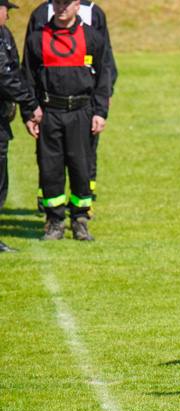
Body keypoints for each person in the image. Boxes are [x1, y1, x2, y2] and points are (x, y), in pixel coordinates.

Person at [23, 0, 110, 241]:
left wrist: (100, 112)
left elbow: (103, 78)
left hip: (81, 112)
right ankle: (55, 221)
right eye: (58, 2)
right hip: (48, 113)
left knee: (81, 166)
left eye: (67, 3)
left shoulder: (92, 37)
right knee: (50, 167)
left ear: (76, 5)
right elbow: (27, 78)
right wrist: (29, 112)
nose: (62, 8)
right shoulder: (36, 39)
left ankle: (80, 219)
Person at [0, 0, 41, 253]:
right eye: (6, 9)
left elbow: (15, 70)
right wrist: (30, 103)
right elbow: (4, 77)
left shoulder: (4, 34)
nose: (8, 15)